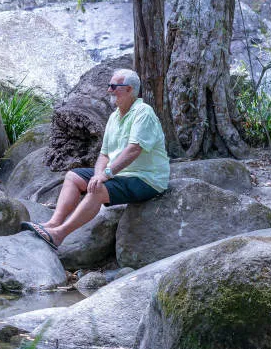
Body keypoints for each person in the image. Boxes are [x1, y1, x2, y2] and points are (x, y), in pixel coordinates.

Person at [22, 69, 169, 249]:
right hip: (122, 175)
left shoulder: (143, 112)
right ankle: (53, 223)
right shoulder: (114, 116)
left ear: (130, 89)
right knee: (73, 177)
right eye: (109, 86)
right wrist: (98, 174)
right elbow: (104, 154)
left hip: (146, 179)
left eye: (114, 86)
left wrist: (105, 175)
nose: (109, 90)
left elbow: (134, 150)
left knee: (97, 190)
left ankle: (58, 235)